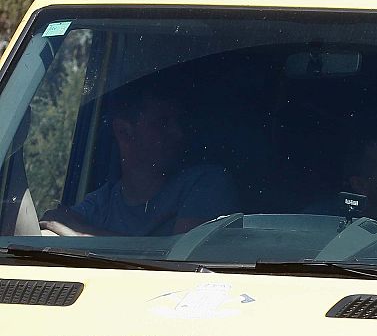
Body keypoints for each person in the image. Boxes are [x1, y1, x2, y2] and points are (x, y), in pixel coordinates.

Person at [41, 80, 236, 237]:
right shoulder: (102, 203)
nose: (178, 133)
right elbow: (55, 222)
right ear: (124, 132)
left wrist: (84, 235)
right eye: (163, 122)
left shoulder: (205, 184)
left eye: (179, 121)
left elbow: (185, 259)